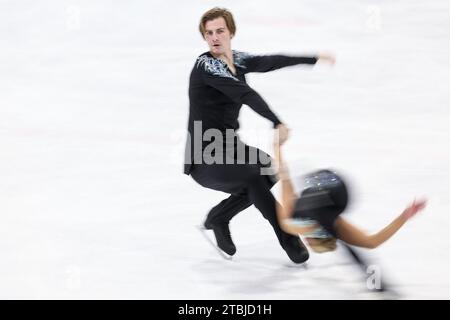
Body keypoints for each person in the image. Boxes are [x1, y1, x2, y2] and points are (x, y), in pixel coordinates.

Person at [183, 7, 335, 263]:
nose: (214, 37)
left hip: (231, 147)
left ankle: (219, 217)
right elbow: (245, 94)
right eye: (209, 33)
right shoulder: (205, 66)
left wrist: (313, 58)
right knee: (253, 176)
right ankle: (289, 240)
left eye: (220, 31)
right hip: (204, 156)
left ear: (231, 32)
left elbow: (270, 61)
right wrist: (276, 121)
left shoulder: (238, 60)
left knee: (267, 168)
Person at [272, 139, 427, 255]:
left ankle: (320, 190)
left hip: (334, 188)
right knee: (306, 209)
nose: (306, 241)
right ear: (311, 239)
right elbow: (285, 181)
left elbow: (373, 242)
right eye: (310, 243)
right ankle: (319, 190)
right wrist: (277, 148)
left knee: (314, 204)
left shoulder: (331, 225)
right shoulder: (291, 222)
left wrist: (405, 216)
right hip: (326, 187)